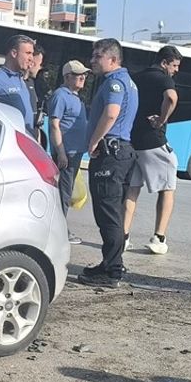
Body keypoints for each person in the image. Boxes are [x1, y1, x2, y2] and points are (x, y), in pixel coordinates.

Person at [77, 38, 139, 288]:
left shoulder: (114, 82)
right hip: (122, 153)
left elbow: (111, 113)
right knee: (114, 211)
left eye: (97, 56)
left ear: (112, 59)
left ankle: (111, 269)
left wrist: (94, 140)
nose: (92, 60)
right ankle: (112, 262)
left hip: (111, 154)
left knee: (108, 212)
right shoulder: (128, 82)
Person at [123, 45, 182, 255]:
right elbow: (172, 98)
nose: (175, 70)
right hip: (153, 140)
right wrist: (162, 119)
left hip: (133, 140)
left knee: (132, 189)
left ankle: (123, 236)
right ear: (165, 62)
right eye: (174, 65)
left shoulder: (136, 77)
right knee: (168, 188)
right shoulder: (163, 78)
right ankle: (159, 237)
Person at [47, 60, 90, 244]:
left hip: (75, 152)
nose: (82, 78)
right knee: (63, 195)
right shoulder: (61, 96)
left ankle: (59, 228)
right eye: (78, 75)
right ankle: (59, 231)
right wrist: (61, 152)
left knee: (67, 192)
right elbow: (54, 125)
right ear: (67, 77)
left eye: (84, 75)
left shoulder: (76, 97)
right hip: (67, 153)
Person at [25, 42, 46, 142]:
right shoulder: (19, 83)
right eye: (40, 64)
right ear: (32, 63)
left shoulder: (31, 83)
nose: (40, 67)